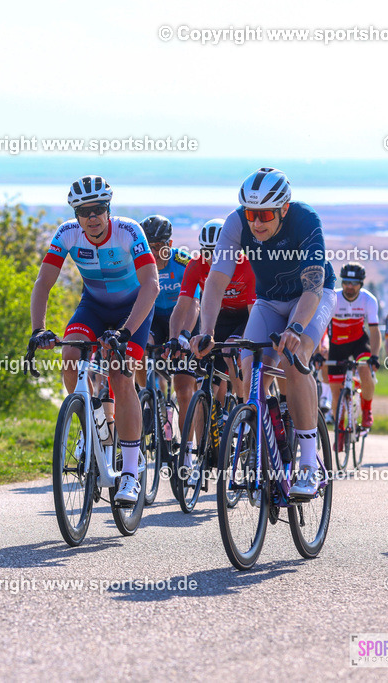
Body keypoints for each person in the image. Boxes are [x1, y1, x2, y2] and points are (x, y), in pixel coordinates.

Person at [192, 167, 336, 499]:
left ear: (284, 209)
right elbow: (216, 280)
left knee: (295, 360)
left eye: (266, 214)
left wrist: (296, 328)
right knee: (250, 371)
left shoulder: (305, 220)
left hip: (311, 297)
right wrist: (206, 330)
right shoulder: (236, 223)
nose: (256, 222)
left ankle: (309, 466)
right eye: (251, 213)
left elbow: (314, 285)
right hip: (269, 301)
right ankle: (265, 452)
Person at [30, 175, 159, 503]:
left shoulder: (129, 231)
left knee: (120, 376)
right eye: (83, 212)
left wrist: (126, 332)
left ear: (108, 209)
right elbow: (43, 282)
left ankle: (130, 473)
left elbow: (151, 285)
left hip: (132, 311)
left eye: (98, 209)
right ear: (75, 215)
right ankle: (91, 424)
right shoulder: (67, 233)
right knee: (70, 355)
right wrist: (38, 329)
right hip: (93, 308)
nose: (92, 217)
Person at [170, 218, 255, 479]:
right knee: (202, 382)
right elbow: (183, 305)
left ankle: (243, 409)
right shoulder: (196, 265)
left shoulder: (246, 264)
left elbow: (254, 312)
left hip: (245, 316)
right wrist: (175, 338)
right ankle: (203, 453)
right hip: (216, 318)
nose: (212, 258)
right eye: (207, 252)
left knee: (232, 353)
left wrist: (243, 344)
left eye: (218, 252)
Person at [135, 214, 190, 390]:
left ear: (170, 244)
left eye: (158, 246)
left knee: (184, 389)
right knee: (141, 347)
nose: (153, 253)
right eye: (148, 247)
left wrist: (184, 334)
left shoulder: (183, 262)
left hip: (183, 317)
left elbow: (195, 303)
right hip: (156, 318)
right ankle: (145, 394)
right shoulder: (137, 265)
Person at [327, 262, 380, 433]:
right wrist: (319, 352)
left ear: (361, 284)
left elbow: (374, 330)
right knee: (336, 394)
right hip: (337, 344)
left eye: (354, 283)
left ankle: (367, 410)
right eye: (346, 282)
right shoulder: (333, 298)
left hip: (358, 342)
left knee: (365, 369)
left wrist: (375, 356)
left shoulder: (368, 299)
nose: (349, 286)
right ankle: (339, 432)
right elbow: (321, 329)